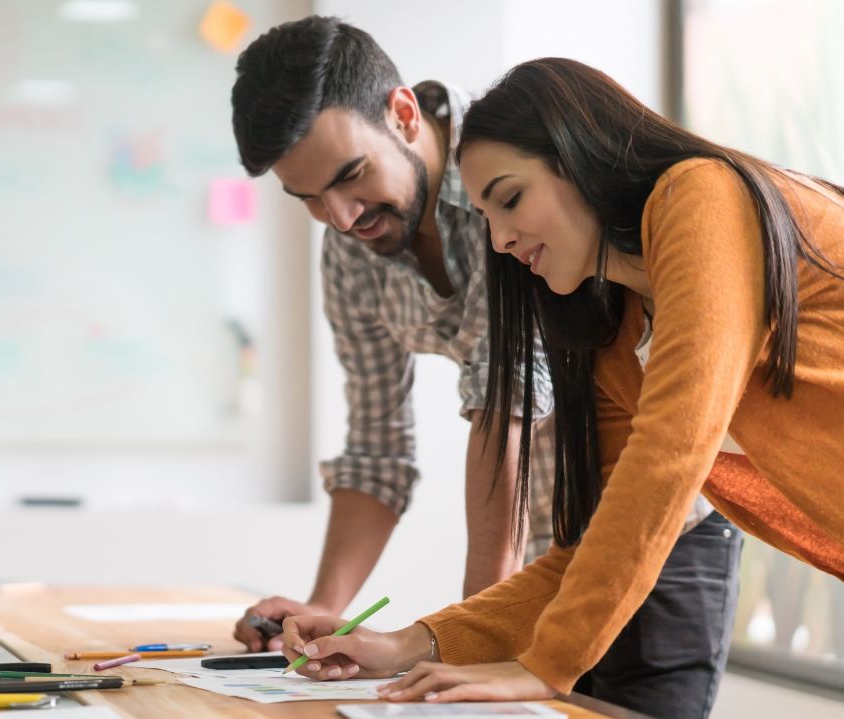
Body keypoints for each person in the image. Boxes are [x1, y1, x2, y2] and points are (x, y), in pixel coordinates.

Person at [278, 57, 844, 712]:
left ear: (585, 162)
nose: (501, 236)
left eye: (511, 199)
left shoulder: (703, 198)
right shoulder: (617, 337)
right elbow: (584, 545)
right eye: (486, 214)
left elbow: (671, 452)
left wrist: (545, 667)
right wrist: (414, 641)